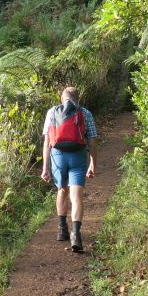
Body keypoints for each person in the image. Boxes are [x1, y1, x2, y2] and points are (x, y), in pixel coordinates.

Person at [40, 87, 99, 252]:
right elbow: (93, 140)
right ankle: (76, 234)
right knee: (76, 195)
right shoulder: (85, 112)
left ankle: (61, 229)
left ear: (62, 98)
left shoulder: (52, 112)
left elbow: (47, 142)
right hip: (78, 156)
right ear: (77, 99)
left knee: (62, 191)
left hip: (58, 157)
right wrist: (93, 163)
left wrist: (45, 167)